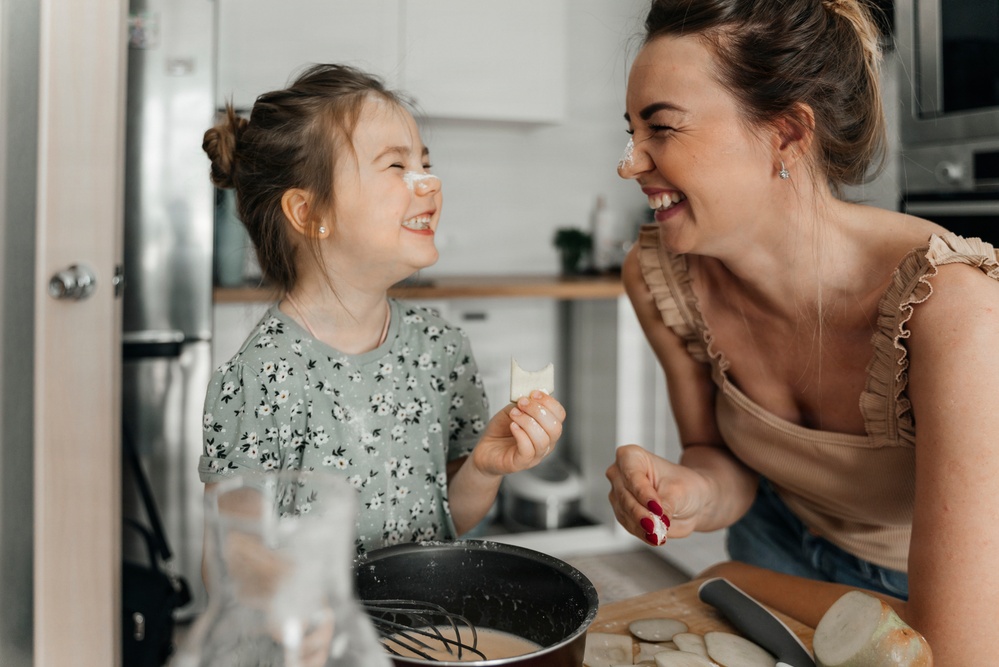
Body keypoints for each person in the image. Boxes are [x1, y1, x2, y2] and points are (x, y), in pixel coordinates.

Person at [607, 0, 999, 661]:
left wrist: (725, 579)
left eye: (662, 129)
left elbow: (954, 646)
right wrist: (690, 492)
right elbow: (715, 454)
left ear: (786, 133)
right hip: (771, 545)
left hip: (918, 593)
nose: (629, 163)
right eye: (630, 132)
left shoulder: (952, 310)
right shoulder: (658, 276)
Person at [200, 64, 565, 555]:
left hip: (429, 631)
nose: (430, 183)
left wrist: (483, 467)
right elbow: (232, 566)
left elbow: (447, 519)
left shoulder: (440, 347)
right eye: (397, 166)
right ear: (310, 214)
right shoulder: (260, 379)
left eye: (426, 163)